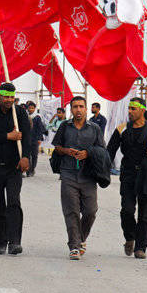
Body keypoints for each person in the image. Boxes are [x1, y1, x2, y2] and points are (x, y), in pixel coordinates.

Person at [106, 98, 147, 259]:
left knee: (145, 213)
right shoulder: (122, 129)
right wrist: (102, 169)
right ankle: (130, 237)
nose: (130, 111)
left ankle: (141, 248)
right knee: (127, 210)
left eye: (134, 109)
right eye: (129, 108)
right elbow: (110, 151)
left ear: (142, 110)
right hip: (128, 174)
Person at [0, 83, 31, 255]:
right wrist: (7, 136)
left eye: (12, 97)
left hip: (13, 167)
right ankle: (0, 241)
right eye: (6, 96)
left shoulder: (20, 113)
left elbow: (28, 138)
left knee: (13, 202)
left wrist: (25, 157)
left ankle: (15, 241)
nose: (9, 100)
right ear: (0, 96)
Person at [52, 96, 105, 260]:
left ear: (86, 109)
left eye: (81, 106)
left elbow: (102, 149)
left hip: (88, 175)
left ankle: (81, 238)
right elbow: (57, 146)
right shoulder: (64, 127)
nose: (78, 110)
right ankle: (74, 246)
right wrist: (66, 151)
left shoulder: (95, 128)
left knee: (91, 211)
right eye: (75, 107)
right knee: (71, 211)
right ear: (71, 109)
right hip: (68, 173)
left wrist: (88, 153)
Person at [26, 101, 47, 177]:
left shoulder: (37, 117)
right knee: (27, 155)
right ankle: (28, 170)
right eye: (29, 108)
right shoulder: (26, 116)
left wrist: (39, 139)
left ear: (35, 109)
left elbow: (40, 129)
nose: (31, 109)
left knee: (34, 155)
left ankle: (32, 169)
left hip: (35, 139)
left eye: (32, 108)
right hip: (27, 139)